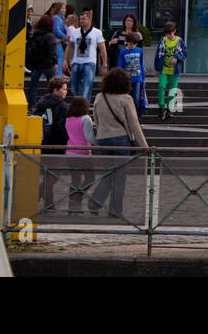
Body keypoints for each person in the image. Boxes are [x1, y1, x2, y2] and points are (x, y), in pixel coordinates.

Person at [92, 68, 149, 219]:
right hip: (120, 139)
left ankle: (95, 200)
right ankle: (115, 210)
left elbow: (96, 118)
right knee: (120, 177)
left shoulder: (99, 97)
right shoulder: (126, 99)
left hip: (103, 138)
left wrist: (101, 134)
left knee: (108, 173)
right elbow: (134, 124)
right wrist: (144, 146)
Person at [34, 76, 70, 209]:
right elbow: (62, 126)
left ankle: (49, 204)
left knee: (47, 174)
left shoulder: (42, 102)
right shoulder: (61, 105)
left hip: (42, 143)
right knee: (54, 174)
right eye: (64, 89)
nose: (66, 92)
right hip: (56, 144)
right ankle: (38, 193)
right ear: (56, 90)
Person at [64, 96, 97, 214]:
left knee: (75, 179)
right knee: (90, 178)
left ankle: (72, 205)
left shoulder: (68, 118)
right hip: (83, 153)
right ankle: (78, 198)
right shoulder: (86, 119)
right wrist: (97, 142)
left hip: (70, 152)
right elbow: (89, 137)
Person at [65, 10, 106, 102]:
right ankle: (80, 101)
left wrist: (104, 64)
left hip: (89, 62)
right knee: (73, 84)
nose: (81, 21)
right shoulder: (75, 32)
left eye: (84, 19)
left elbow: (102, 48)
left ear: (90, 19)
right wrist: (66, 60)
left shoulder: (96, 32)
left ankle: (84, 106)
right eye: (80, 19)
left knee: (87, 86)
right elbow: (70, 46)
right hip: (76, 61)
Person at [154, 21, 185, 120]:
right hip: (163, 69)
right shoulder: (162, 40)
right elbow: (157, 54)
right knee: (161, 86)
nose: (169, 36)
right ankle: (161, 108)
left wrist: (177, 57)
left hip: (174, 71)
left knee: (172, 90)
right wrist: (156, 68)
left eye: (170, 34)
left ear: (174, 31)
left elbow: (184, 53)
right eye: (167, 34)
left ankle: (169, 109)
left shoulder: (179, 41)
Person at [25, 15, 58, 109]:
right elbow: (52, 51)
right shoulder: (50, 36)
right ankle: (52, 104)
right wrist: (55, 62)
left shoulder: (35, 35)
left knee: (33, 85)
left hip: (36, 64)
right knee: (52, 85)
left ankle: (31, 104)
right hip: (48, 64)